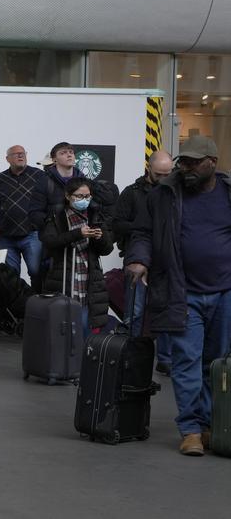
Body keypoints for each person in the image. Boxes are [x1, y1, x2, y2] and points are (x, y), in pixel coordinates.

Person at [126, 135, 231, 457]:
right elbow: (142, 231)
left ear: (211, 163)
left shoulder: (228, 193)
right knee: (186, 361)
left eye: (192, 162)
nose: (184, 167)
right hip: (179, 290)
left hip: (225, 292)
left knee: (215, 364)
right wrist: (139, 259)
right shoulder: (164, 194)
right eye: (182, 161)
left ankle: (213, 423)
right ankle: (191, 429)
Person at [110, 149, 174, 372]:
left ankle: (166, 360)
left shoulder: (175, 192)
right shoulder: (132, 192)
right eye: (159, 174)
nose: (164, 179)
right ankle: (132, 353)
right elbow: (116, 223)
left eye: (168, 174)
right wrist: (144, 226)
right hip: (137, 256)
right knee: (134, 310)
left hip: (165, 260)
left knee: (165, 311)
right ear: (149, 168)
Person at [40, 177, 114, 339]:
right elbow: (50, 242)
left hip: (89, 280)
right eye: (79, 196)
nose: (84, 200)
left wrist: (99, 237)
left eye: (87, 196)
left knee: (85, 324)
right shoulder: (57, 217)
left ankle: (82, 361)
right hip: (64, 277)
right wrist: (77, 233)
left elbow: (107, 248)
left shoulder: (95, 216)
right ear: (68, 196)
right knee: (63, 326)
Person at [0, 144, 48, 285]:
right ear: (7, 159)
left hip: (32, 233)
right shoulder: (0, 178)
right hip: (6, 236)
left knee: (36, 271)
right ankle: (16, 306)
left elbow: (49, 199)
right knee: (11, 275)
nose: (20, 156)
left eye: (23, 153)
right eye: (16, 154)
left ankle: (37, 302)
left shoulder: (39, 175)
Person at [42, 141, 77, 213]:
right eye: (63, 153)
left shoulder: (84, 181)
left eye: (71, 152)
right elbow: (36, 211)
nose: (69, 155)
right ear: (54, 159)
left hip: (82, 223)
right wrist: (50, 223)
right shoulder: (44, 182)